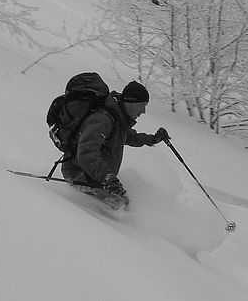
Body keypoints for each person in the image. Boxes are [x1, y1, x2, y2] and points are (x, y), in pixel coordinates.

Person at [60, 80, 169, 209]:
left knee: (124, 204)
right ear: (131, 102)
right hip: (79, 175)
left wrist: (153, 139)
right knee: (122, 206)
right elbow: (86, 153)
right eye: (142, 105)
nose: (144, 111)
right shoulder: (103, 119)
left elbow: (130, 137)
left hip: (96, 177)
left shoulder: (118, 118)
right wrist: (107, 177)